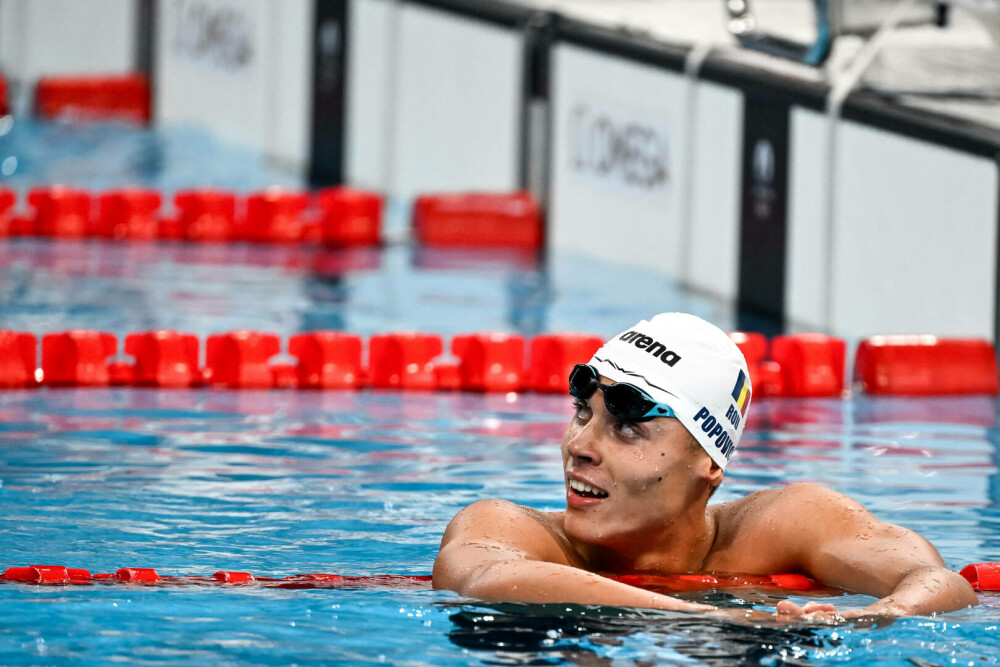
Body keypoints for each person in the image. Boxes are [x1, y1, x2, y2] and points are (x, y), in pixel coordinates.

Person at [432, 313, 978, 621]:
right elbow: (485, 580)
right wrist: (706, 618)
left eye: (628, 428)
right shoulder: (508, 529)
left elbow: (936, 580)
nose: (580, 444)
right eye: (582, 412)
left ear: (709, 463)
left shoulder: (785, 523)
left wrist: (875, 617)